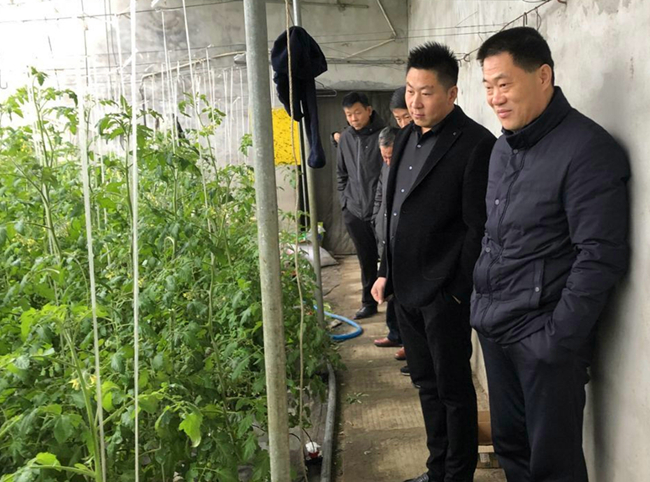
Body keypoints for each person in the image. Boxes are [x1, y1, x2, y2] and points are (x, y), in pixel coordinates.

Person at [472, 27, 629, 482]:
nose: (495, 98)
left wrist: (555, 342)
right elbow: (495, 235)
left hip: (542, 340)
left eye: (504, 84)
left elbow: (599, 255)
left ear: (543, 76)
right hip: (496, 329)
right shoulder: (502, 147)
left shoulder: (587, 149)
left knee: (552, 466)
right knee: (512, 449)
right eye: (488, 86)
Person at [371, 42, 496, 482]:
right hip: (405, 289)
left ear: (452, 93)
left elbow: (478, 227)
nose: (415, 102)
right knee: (425, 384)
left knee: (454, 389)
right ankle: (436, 468)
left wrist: (457, 290)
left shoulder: (477, 144)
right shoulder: (405, 137)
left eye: (426, 92)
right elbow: (394, 211)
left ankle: (457, 474)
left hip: (444, 294)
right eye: (410, 90)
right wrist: (384, 271)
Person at [337, 92, 386, 320]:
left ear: (368, 110)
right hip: (355, 210)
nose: (353, 118)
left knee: (388, 258)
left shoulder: (384, 135)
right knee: (365, 259)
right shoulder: (346, 138)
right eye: (349, 115)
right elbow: (341, 173)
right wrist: (345, 203)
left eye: (357, 113)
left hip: (381, 210)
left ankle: (392, 305)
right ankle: (368, 302)